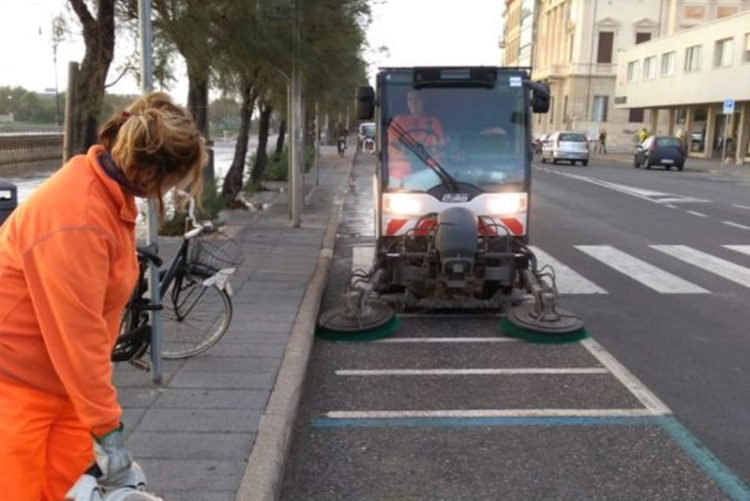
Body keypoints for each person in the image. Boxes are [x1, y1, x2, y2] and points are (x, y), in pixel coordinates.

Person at [0, 92, 206, 501]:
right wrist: (108, 429)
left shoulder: (107, 195)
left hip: (56, 388)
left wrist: (98, 420)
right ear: (151, 172)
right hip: (14, 389)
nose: (169, 191)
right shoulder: (79, 219)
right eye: (172, 180)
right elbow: (78, 337)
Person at [387, 89, 448, 180]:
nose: (413, 103)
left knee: (440, 175)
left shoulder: (433, 122)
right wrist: (408, 151)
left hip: (429, 168)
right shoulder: (398, 122)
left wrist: (437, 146)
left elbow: (438, 145)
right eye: (410, 100)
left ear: (424, 101)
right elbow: (393, 144)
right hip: (403, 171)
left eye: (417, 99)